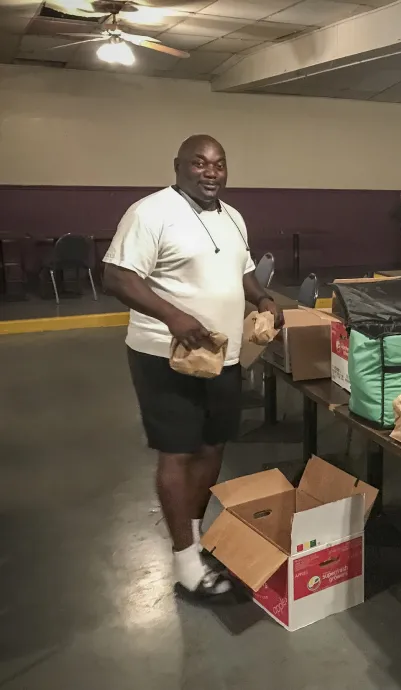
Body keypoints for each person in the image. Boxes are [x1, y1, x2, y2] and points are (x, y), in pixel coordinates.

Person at [103, 135, 281, 599]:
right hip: (166, 355)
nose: (211, 172)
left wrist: (260, 296)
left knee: (212, 444)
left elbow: (241, 268)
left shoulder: (233, 216)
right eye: (200, 163)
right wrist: (173, 316)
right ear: (178, 166)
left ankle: (194, 536)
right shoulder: (151, 212)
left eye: (219, 164)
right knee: (177, 452)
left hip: (221, 352)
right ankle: (185, 565)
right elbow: (118, 277)